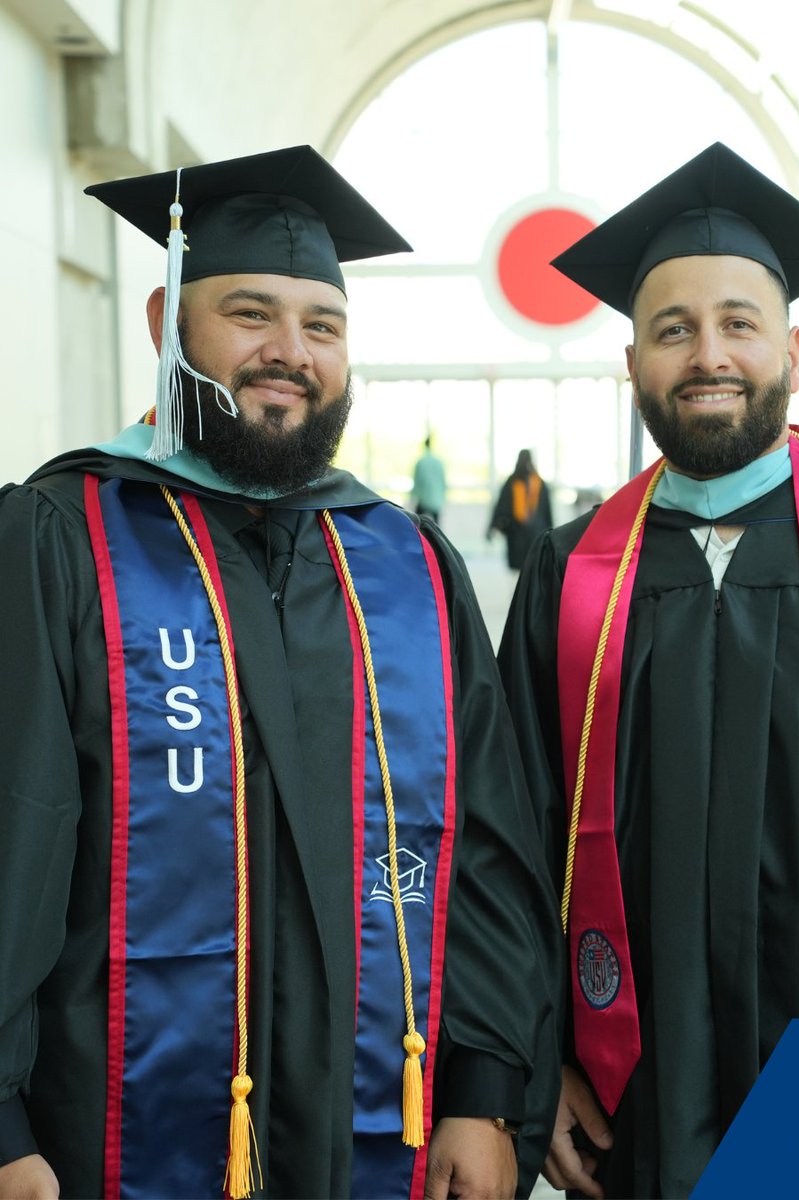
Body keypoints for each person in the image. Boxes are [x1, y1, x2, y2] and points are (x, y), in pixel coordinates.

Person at [0, 146, 562, 1200]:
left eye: (323, 326)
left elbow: (487, 848)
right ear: (167, 322)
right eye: (250, 314)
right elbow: (11, 835)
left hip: (374, 1121)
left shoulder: (410, 565)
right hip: (103, 1123)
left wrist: (483, 1092)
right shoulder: (63, 538)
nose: (290, 353)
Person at [497, 143, 799, 1199]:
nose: (709, 355)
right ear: (633, 364)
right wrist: (529, 1063)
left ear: (792, 350)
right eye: (674, 329)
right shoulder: (571, 576)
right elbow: (509, 844)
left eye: (739, 324)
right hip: (633, 1081)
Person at [488, 450, 553, 571]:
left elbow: (546, 510)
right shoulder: (512, 482)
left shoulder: (538, 483)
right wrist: (494, 525)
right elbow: (502, 506)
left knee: (533, 564)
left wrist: (550, 532)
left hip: (533, 533)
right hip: (517, 532)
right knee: (522, 565)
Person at [411, 434, 447, 524]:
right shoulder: (439, 462)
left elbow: (417, 482)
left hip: (423, 500)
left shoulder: (421, 462)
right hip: (436, 500)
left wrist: (413, 496)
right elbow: (443, 482)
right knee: (436, 527)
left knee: (416, 524)